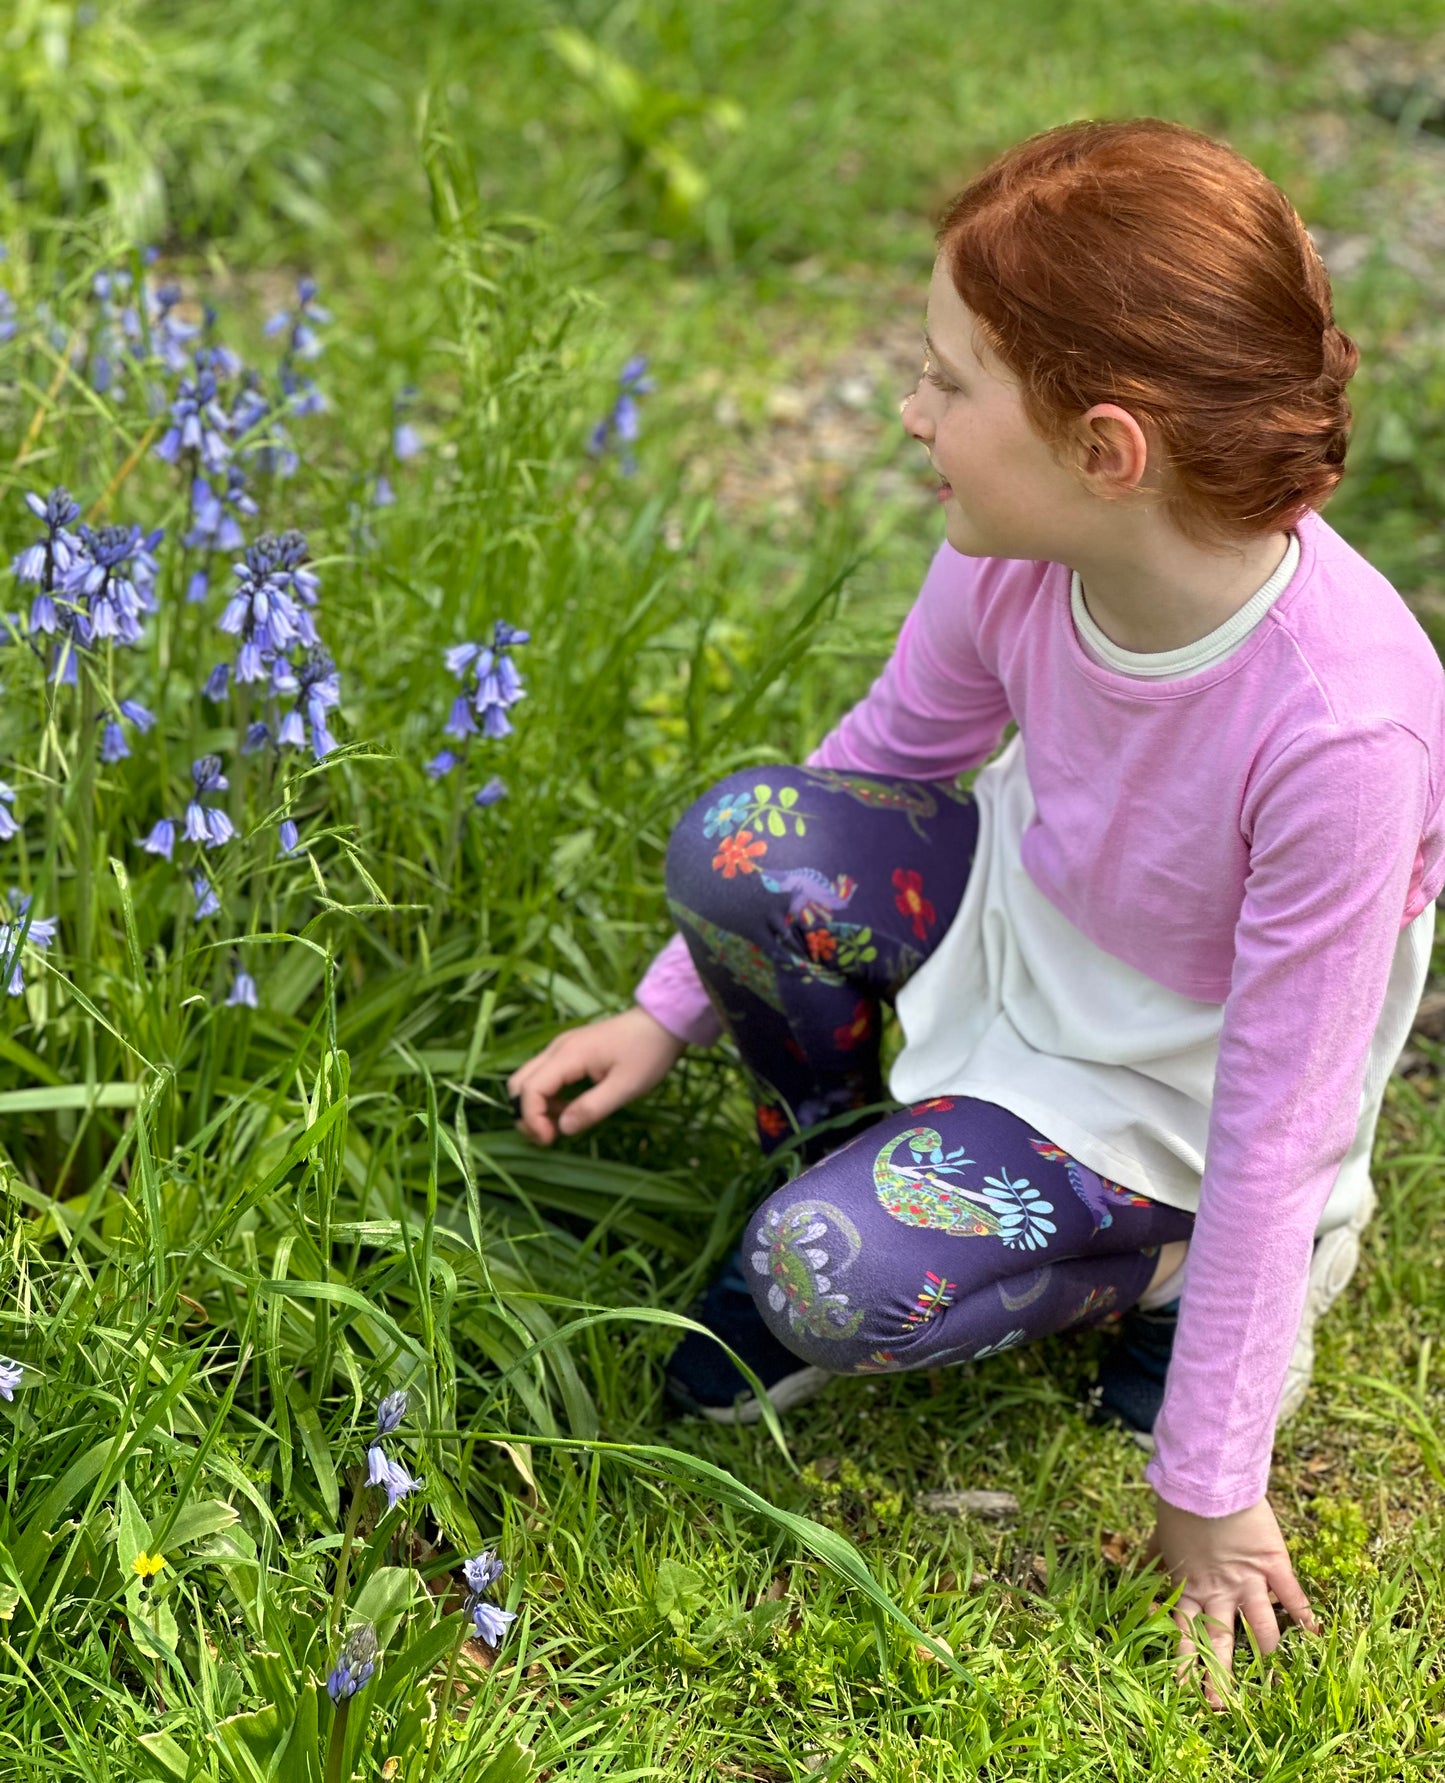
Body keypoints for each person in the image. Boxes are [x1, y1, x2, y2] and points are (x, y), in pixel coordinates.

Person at [507, 118, 1445, 1706]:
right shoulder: (1021, 552)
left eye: (947, 381)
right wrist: (663, 1008)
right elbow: (879, 761)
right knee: (743, 843)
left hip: (1172, 1096)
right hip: (1017, 926)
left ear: (1104, 449)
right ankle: (849, 1143)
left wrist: (1208, 1485)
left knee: (817, 1275)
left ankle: (1153, 1275)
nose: (908, 412)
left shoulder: (1342, 733)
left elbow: (1275, 1117)